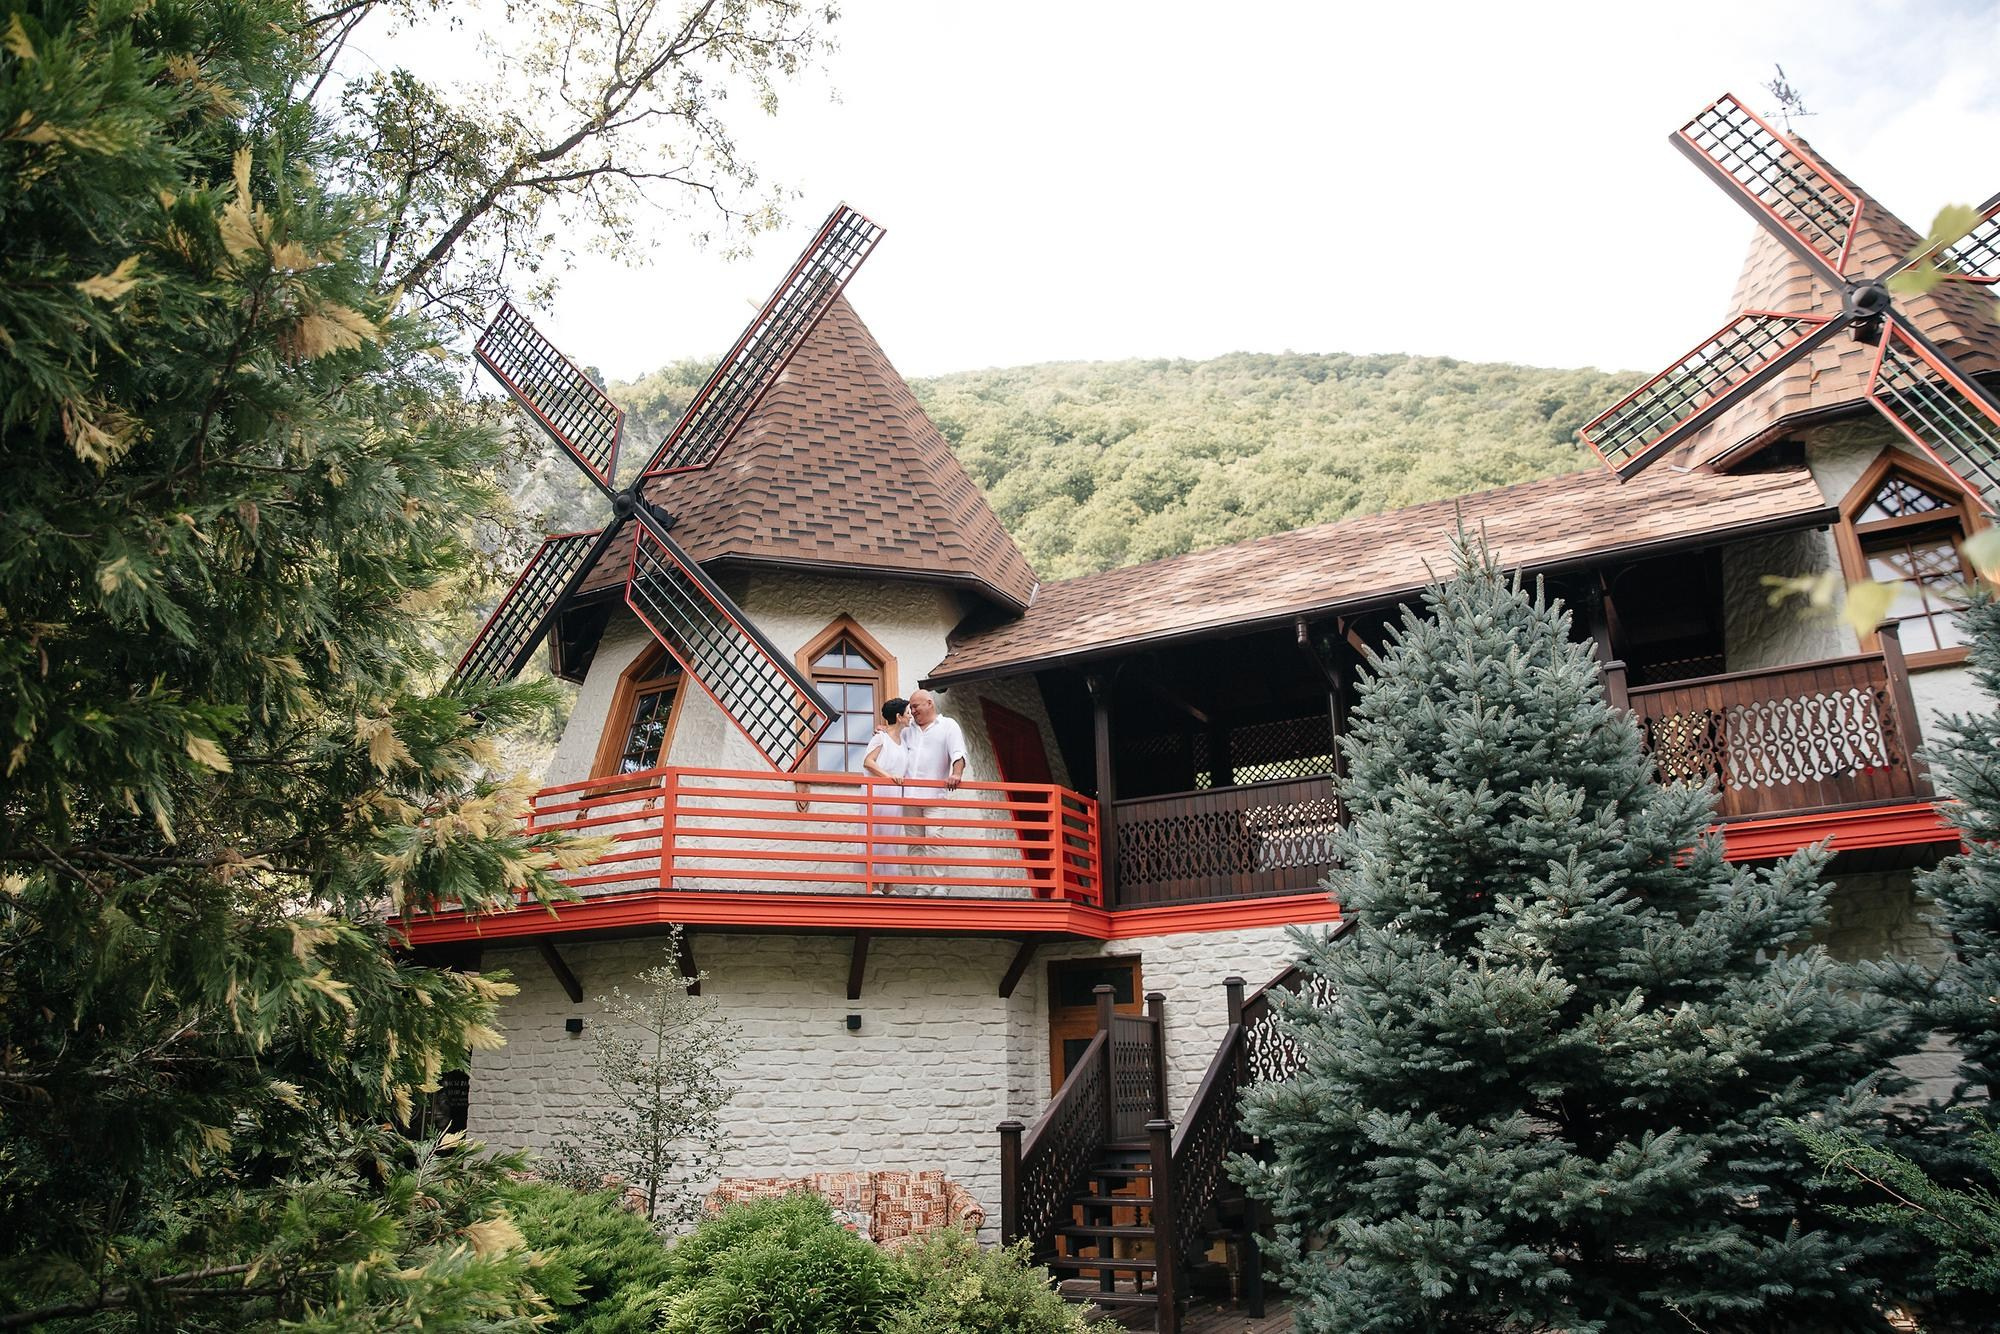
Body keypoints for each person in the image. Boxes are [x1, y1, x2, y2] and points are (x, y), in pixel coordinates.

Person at [899, 689, 968, 895]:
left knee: (934, 836)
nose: (912, 711)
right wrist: (882, 731)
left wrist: (956, 774)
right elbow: (892, 743)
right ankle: (922, 885)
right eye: (910, 708)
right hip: (909, 797)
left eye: (915, 706)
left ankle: (940, 885)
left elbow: (958, 753)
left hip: (935, 796)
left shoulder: (948, 725)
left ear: (929, 703)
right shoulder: (906, 730)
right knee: (914, 842)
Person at [860, 698, 910, 894]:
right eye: (907, 713)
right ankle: (874, 885)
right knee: (876, 836)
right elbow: (868, 762)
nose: (910, 716)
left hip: (895, 793)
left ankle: (889, 885)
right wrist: (889, 778)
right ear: (898, 717)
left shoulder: (904, 741)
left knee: (891, 837)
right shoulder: (880, 737)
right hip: (880, 790)